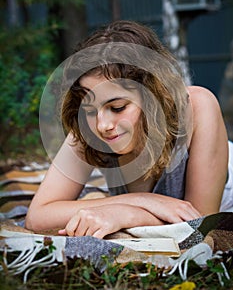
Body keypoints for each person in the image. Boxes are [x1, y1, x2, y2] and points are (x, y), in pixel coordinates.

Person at [25, 20, 232, 239]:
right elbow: (37, 216)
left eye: (117, 107)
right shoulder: (89, 125)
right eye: (89, 109)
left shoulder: (199, 107)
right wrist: (141, 201)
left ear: (154, 95)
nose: (103, 126)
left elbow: (199, 225)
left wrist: (126, 215)